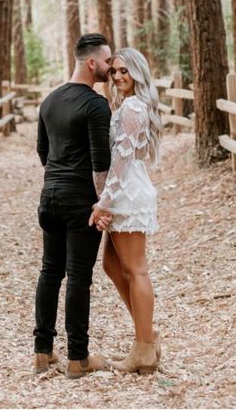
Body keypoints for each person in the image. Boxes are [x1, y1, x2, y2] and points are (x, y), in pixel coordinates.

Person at [33, 33, 113, 379]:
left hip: (49, 196)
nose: (111, 68)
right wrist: (103, 203)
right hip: (80, 199)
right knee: (79, 276)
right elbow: (100, 163)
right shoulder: (95, 105)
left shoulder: (49, 101)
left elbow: (42, 152)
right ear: (92, 63)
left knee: (50, 271)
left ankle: (42, 351)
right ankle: (77, 358)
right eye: (108, 62)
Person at [89, 47, 162, 375]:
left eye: (124, 71)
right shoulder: (128, 104)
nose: (118, 77)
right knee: (112, 264)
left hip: (126, 193)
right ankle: (148, 336)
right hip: (124, 191)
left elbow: (122, 158)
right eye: (114, 71)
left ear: (137, 73)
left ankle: (143, 349)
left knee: (135, 270)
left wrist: (105, 199)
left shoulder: (133, 106)